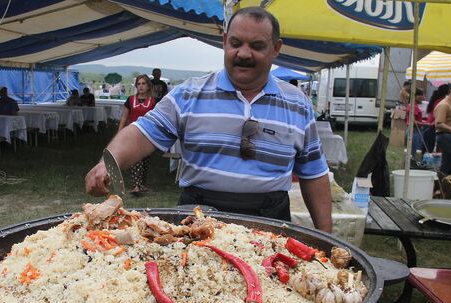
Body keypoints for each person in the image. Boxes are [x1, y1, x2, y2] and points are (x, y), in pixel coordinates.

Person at [85, 7, 332, 232]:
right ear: (225, 42)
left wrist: (327, 238)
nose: (243, 53)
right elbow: (141, 133)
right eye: (235, 43)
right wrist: (109, 160)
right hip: (197, 220)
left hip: (270, 225)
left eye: (257, 46)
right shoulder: (189, 94)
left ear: (276, 48)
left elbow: (314, 174)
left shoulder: (297, 103)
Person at [117, 74, 157, 195]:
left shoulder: (153, 101)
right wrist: (119, 133)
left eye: (143, 84)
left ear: (148, 86)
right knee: (136, 158)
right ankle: (136, 185)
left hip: (147, 133)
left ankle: (142, 184)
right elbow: (124, 117)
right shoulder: (130, 100)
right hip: (133, 132)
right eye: (139, 84)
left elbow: (156, 118)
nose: (141, 86)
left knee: (145, 160)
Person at [405, 88, 431, 154]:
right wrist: (427, 124)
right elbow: (413, 121)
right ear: (414, 96)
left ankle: (414, 162)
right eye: (420, 95)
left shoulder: (414, 105)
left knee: (416, 149)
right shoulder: (413, 106)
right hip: (414, 130)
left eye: (422, 95)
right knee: (416, 150)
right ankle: (414, 163)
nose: (422, 97)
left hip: (415, 130)